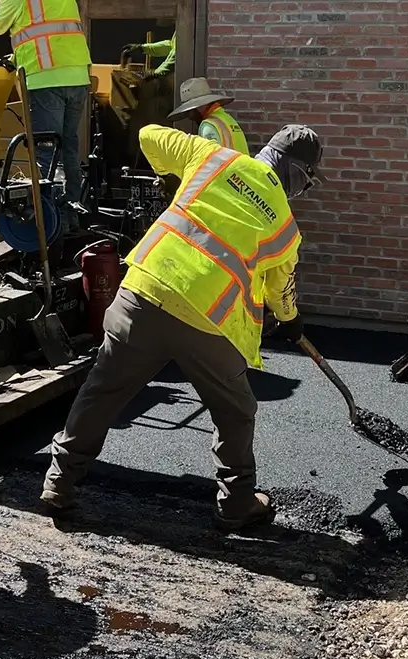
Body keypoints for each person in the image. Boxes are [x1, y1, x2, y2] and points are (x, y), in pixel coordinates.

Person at [40, 123, 323, 530]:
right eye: (307, 183)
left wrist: (168, 169)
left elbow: (147, 134)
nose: (303, 191)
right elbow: (281, 294)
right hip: (205, 324)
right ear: (297, 174)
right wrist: (292, 322)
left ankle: (59, 482)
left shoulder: (210, 157)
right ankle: (238, 501)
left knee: (102, 391)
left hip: (141, 294)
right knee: (236, 411)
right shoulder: (284, 227)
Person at [0, 0, 92, 206]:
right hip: (78, 76)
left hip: (46, 80)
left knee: (48, 149)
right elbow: (50, 35)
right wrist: (17, 57)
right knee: (68, 146)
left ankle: (54, 215)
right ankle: (73, 209)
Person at [168, 77, 249, 155]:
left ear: (199, 106)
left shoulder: (208, 125)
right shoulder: (226, 118)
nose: (189, 117)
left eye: (189, 111)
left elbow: (209, 160)